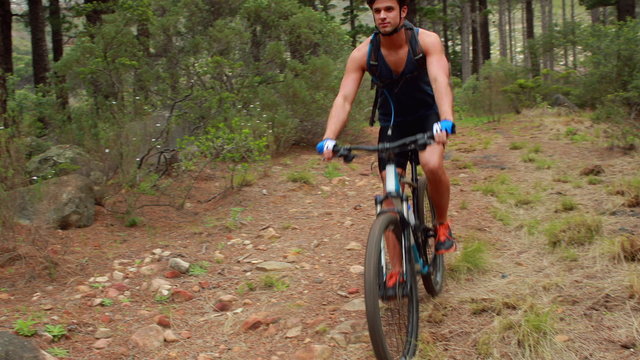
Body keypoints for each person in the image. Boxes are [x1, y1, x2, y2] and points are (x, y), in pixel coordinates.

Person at [316, 0, 457, 288]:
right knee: (391, 197)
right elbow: (344, 98)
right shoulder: (363, 54)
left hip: (428, 118)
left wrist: (445, 119)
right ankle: (397, 271)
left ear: (403, 11)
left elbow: (440, 79)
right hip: (392, 125)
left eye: (389, 9)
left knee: (431, 164)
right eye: (377, 11)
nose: (382, 16)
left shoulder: (426, 41)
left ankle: (442, 225)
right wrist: (329, 137)